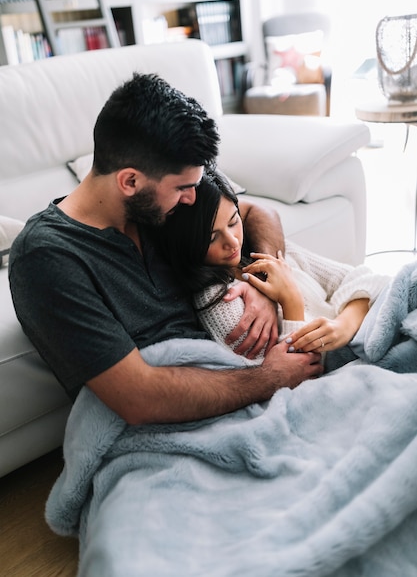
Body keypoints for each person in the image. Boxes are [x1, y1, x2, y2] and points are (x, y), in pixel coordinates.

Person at [8, 72, 323, 427]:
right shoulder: (47, 256)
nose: (192, 198)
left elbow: (255, 212)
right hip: (173, 420)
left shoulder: (161, 203)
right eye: (183, 188)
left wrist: (264, 280)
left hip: (232, 380)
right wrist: (272, 377)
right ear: (130, 181)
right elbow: (139, 399)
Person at [154, 170, 389, 364]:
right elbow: (299, 370)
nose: (233, 241)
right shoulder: (219, 303)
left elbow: (364, 278)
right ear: (187, 244)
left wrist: (343, 326)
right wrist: (291, 301)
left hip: (363, 334)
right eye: (212, 237)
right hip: (348, 364)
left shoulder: (257, 254)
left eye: (234, 221)